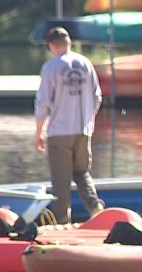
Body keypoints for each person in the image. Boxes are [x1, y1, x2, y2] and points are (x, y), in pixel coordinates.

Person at [34, 26, 103, 225]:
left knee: (61, 181)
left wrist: (38, 132)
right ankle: (95, 207)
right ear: (69, 42)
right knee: (81, 172)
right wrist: (89, 120)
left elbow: (43, 102)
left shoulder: (51, 67)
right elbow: (97, 97)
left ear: (51, 45)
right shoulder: (86, 63)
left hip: (59, 131)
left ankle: (62, 223)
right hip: (83, 130)